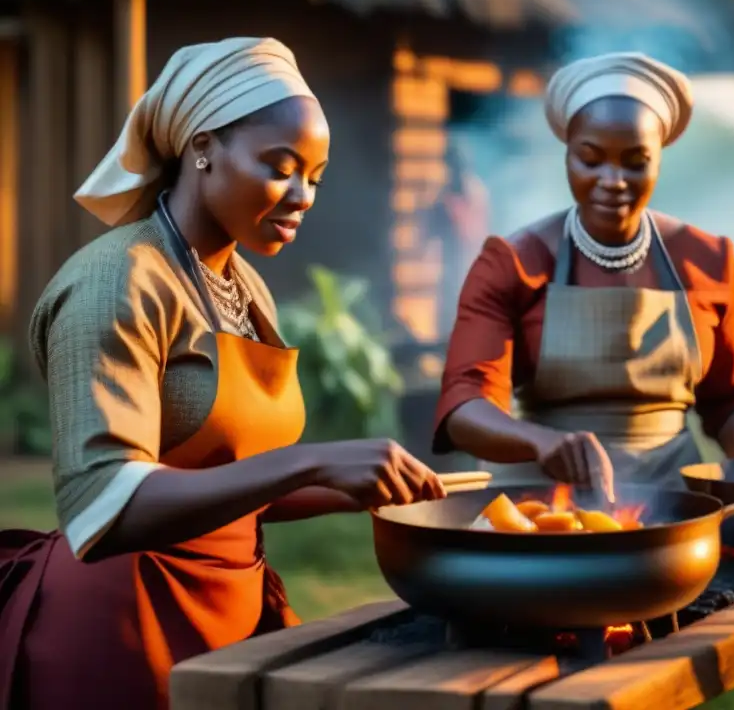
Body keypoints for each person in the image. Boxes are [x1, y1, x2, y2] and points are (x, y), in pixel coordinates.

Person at [0, 38, 445, 710]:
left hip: (229, 616)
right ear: (203, 148)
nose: (303, 195)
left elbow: (236, 479)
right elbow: (100, 506)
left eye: (315, 177)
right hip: (121, 628)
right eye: (282, 167)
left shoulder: (241, 286)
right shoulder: (114, 282)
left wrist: (364, 484)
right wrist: (312, 465)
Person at [431, 52, 734, 498]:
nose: (612, 180)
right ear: (568, 155)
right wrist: (543, 442)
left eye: (635, 161)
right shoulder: (514, 263)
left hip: (674, 502)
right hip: (543, 503)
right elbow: (466, 407)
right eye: (591, 159)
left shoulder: (709, 262)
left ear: (659, 160)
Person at [429, 143, 490, 336]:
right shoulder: (448, 191)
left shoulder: (472, 191)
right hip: (451, 261)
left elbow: (471, 228)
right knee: (447, 309)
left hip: (467, 258)